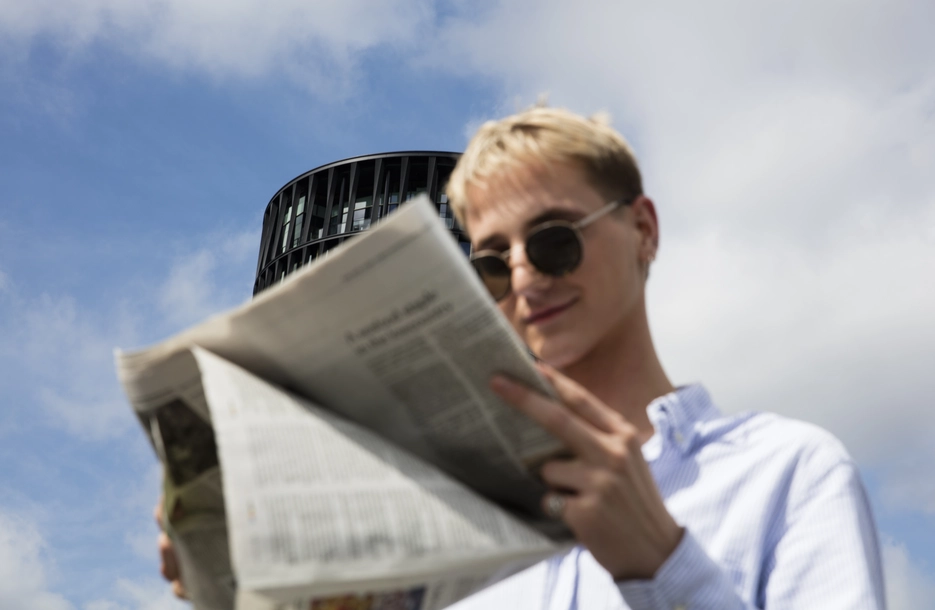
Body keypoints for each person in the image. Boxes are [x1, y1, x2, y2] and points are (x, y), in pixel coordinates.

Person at [159, 106, 886, 609]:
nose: (528, 276)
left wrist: (662, 567)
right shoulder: (441, 522)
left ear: (643, 231)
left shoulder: (786, 473)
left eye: (554, 240)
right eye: (494, 261)